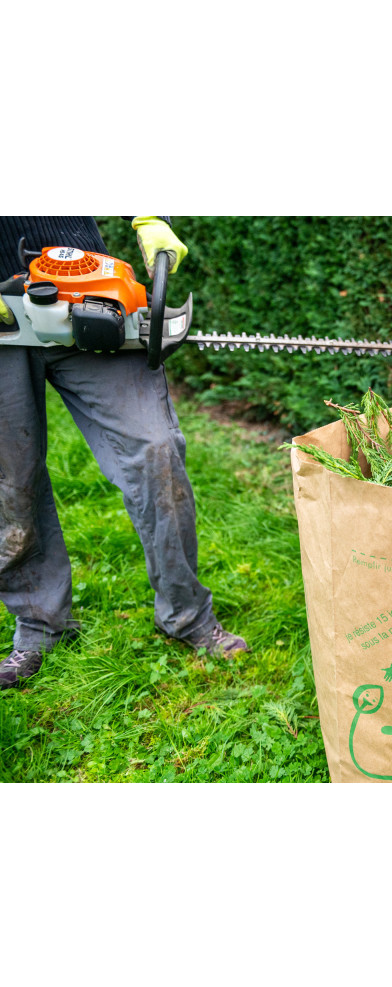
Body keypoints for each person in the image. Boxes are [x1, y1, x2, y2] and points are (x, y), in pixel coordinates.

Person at [0, 216, 249, 691]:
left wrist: (152, 215)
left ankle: (186, 615)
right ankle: (38, 626)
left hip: (80, 290)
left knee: (153, 447)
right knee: (8, 480)